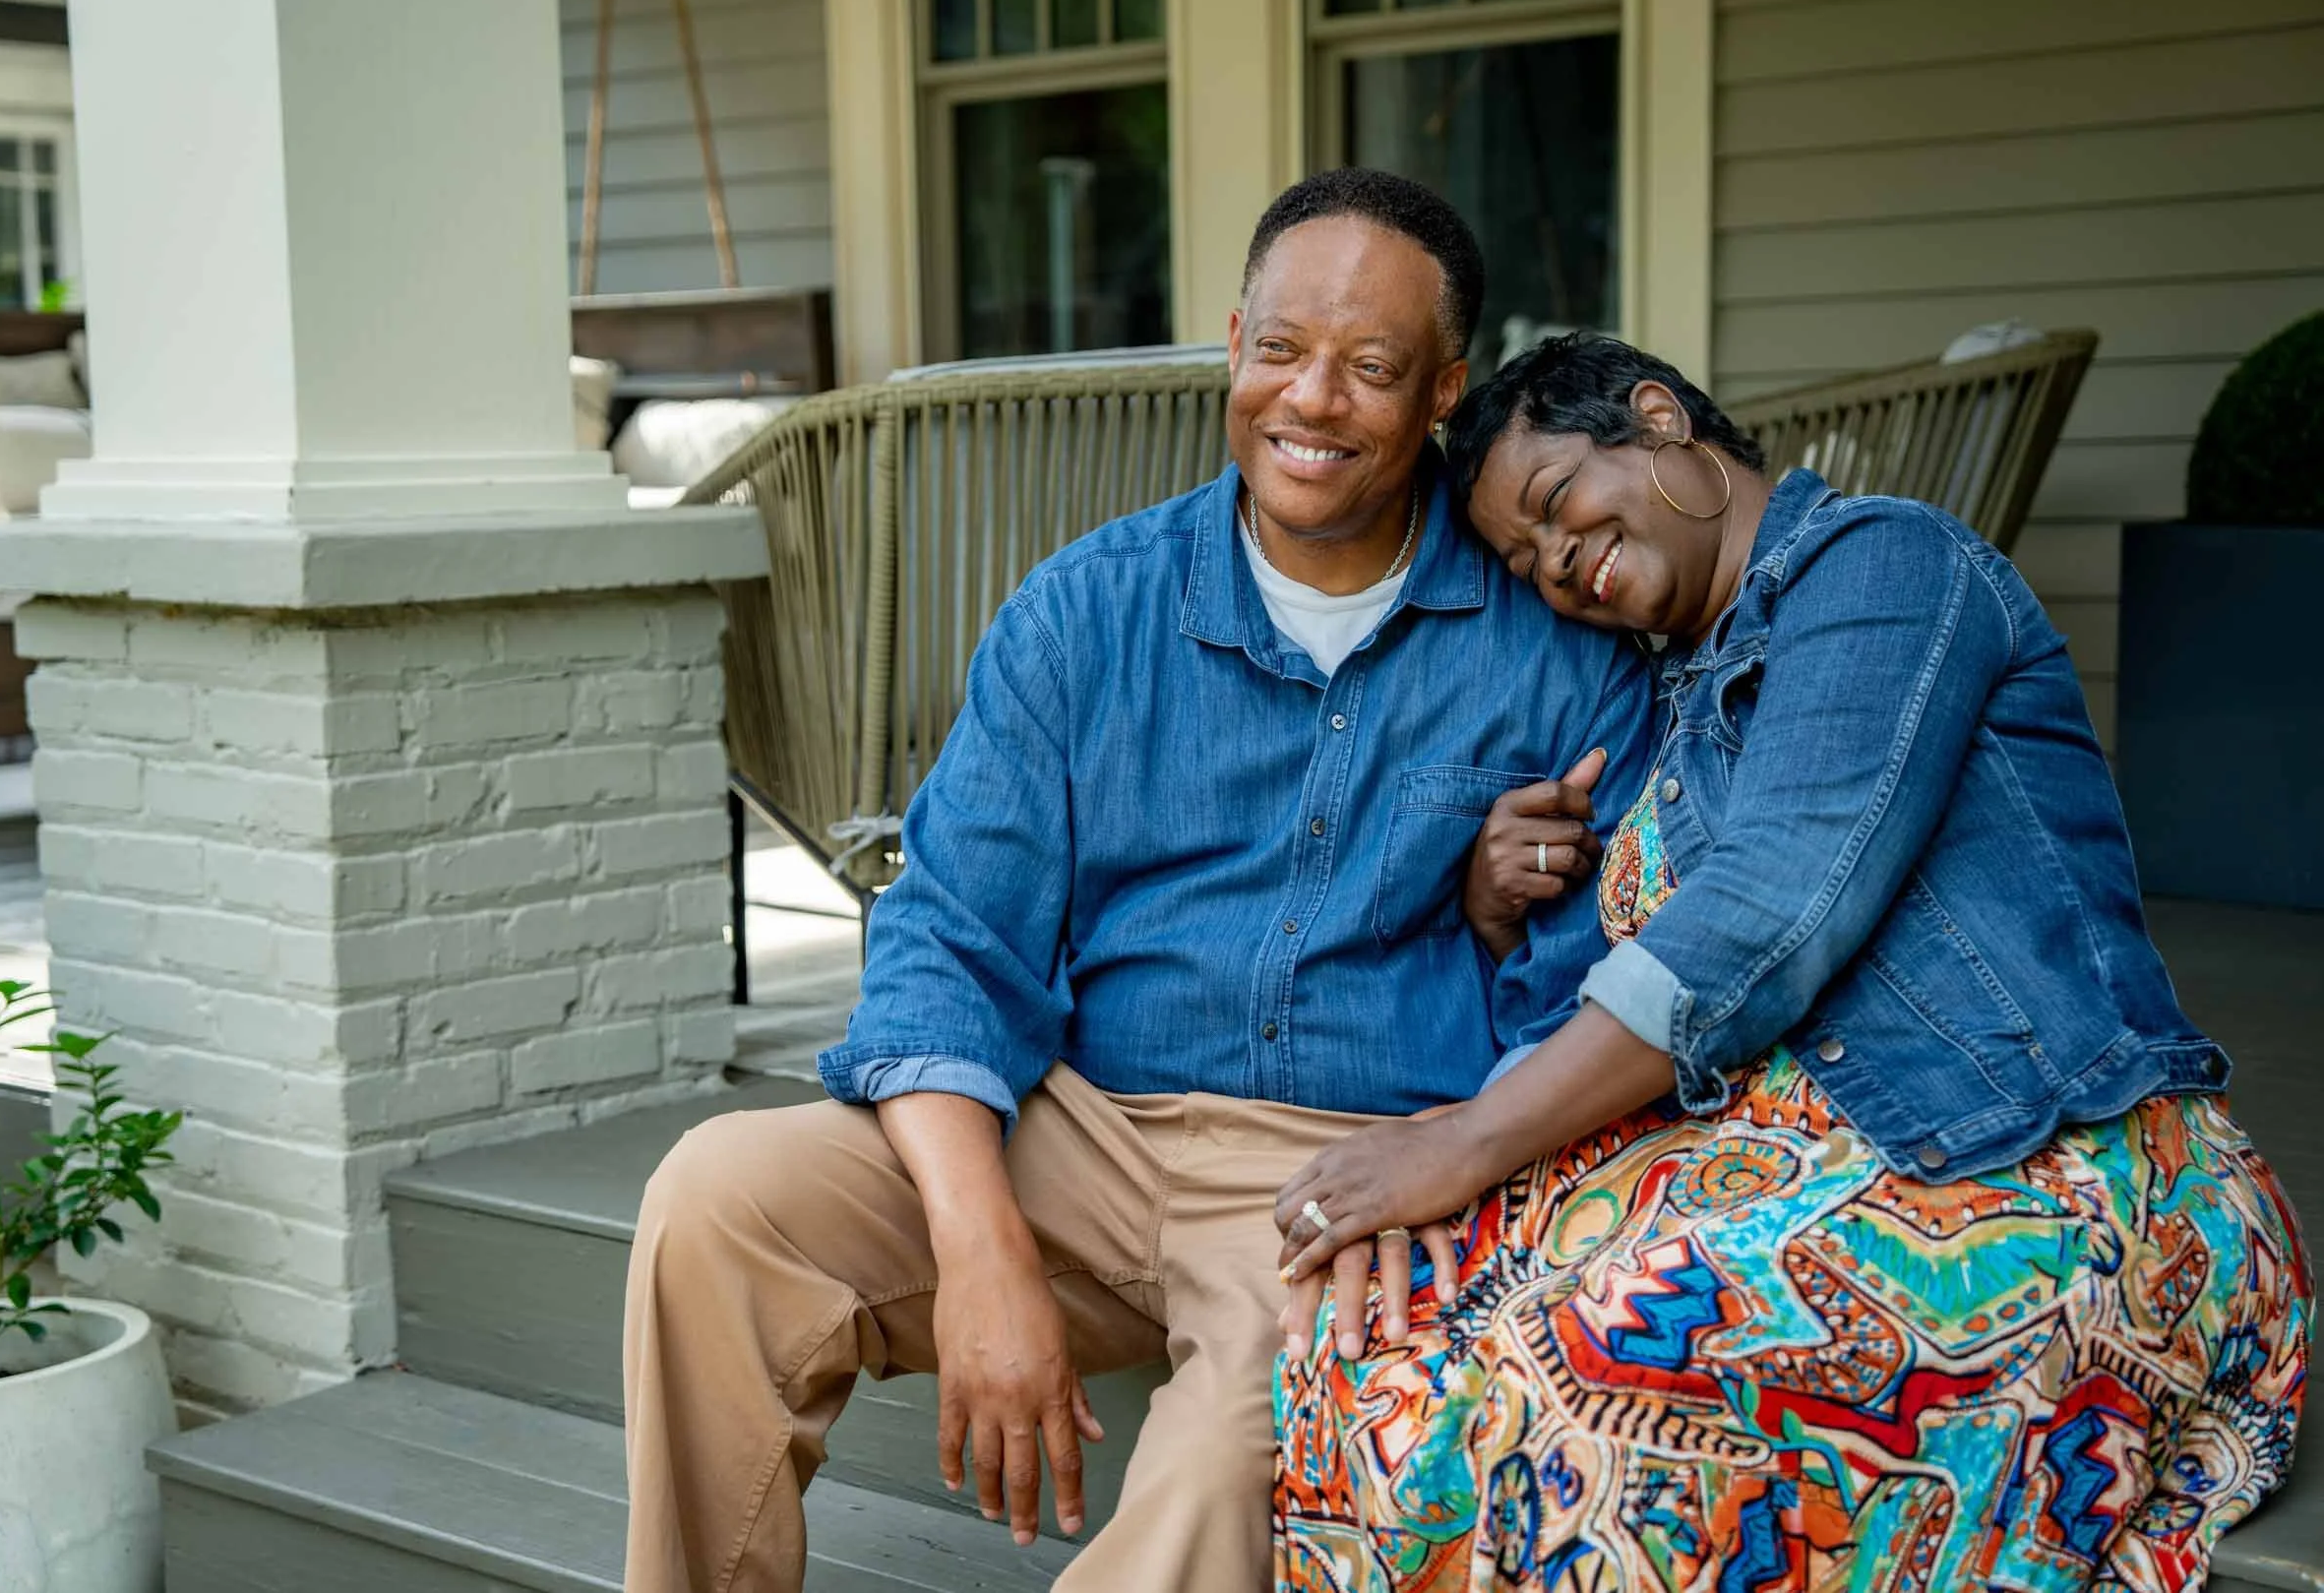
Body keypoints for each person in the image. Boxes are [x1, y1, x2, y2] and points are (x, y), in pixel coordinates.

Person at [620, 173, 1657, 1593]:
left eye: (1370, 367)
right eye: (1281, 349)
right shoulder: (1088, 609)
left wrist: (1453, 1153)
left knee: (1240, 1452)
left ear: (1441, 394)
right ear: (1234, 341)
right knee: (720, 1196)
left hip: (1340, 1178)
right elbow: (947, 940)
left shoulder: (1554, 647)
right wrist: (979, 1246)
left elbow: (1579, 989)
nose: (1312, 399)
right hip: (1080, 1128)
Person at [1269, 332, 2313, 1591]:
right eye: (1523, 559)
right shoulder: (1659, 709)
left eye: (1554, 506)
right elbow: (1576, 1013)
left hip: (2036, 1166)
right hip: (1765, 1172)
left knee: (1595, 1376)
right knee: (1370, 1342)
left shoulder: (1884, 567)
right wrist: (1504, 909)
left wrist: (1467, 1141)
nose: (1554, 566)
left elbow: (1772, 905)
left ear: (1657, 418)